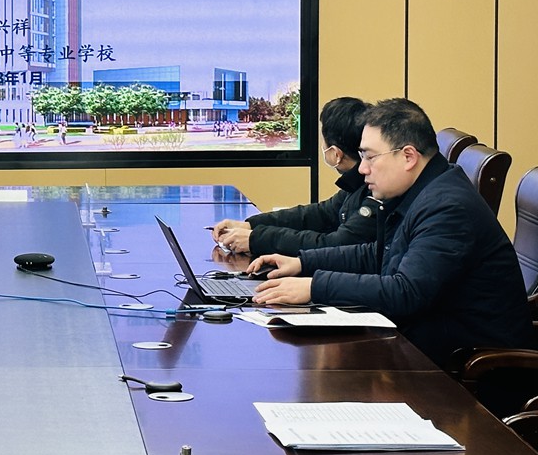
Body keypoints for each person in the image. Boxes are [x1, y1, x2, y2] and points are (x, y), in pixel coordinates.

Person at [247, 98, 534, 366]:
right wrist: (302, 263)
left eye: (370, 157)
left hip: (468, 368)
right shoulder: (420, 190)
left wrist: (314, 287)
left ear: (408, 156)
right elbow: (378, 254)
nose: (362, 169)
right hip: (427, 344)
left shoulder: (447, 207)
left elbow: (405, 292)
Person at [213, 97, 376, 256]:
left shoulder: (374, 191)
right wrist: (251, 225)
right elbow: (319, 214)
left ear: (336, 154)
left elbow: (336, 245)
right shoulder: (354, 185)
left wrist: (258, 239)